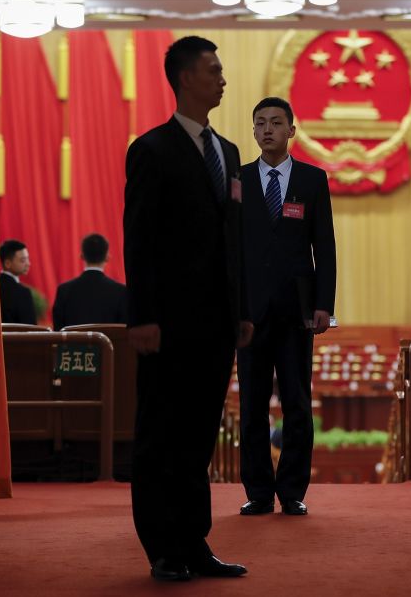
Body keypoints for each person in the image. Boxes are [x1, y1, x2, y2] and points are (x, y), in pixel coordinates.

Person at [123, 35, 253, 582]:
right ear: (184, 79)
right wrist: (143, 317)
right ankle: (162, 547)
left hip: (217, 322)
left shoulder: (228, 152)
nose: (222, 78)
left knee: (199, 435)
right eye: (214, 70)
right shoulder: (151, 149)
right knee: (162, 433)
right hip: (167, 323)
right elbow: (139, 239)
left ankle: (195, 541)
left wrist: (241, 311)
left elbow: (235, 240)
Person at [237, 97, 337, 518]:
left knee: (297, 402)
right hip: (249, 314)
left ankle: (293, 490)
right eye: (260, 123)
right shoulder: (237, 180)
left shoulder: (313, 180)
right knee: (252, 405)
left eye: (276, 123)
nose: (267, 130)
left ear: (292, 130)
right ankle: (259, 491)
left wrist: (323, 305)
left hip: (297, 311)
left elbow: (324, 246)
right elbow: (229, 248)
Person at [52, 233, 127, 330]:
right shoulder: (121, 291)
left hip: (72, 345)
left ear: (82, 256)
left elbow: (58, 331)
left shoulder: (64, 290)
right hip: (109, 345)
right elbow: (123, 332)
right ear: (107, 257)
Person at [0, 239, 37, 325]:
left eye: (27, 259)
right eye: (23, 260)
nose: (28, 263)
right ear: (7, 263)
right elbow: (31, 330)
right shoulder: (23, 292)